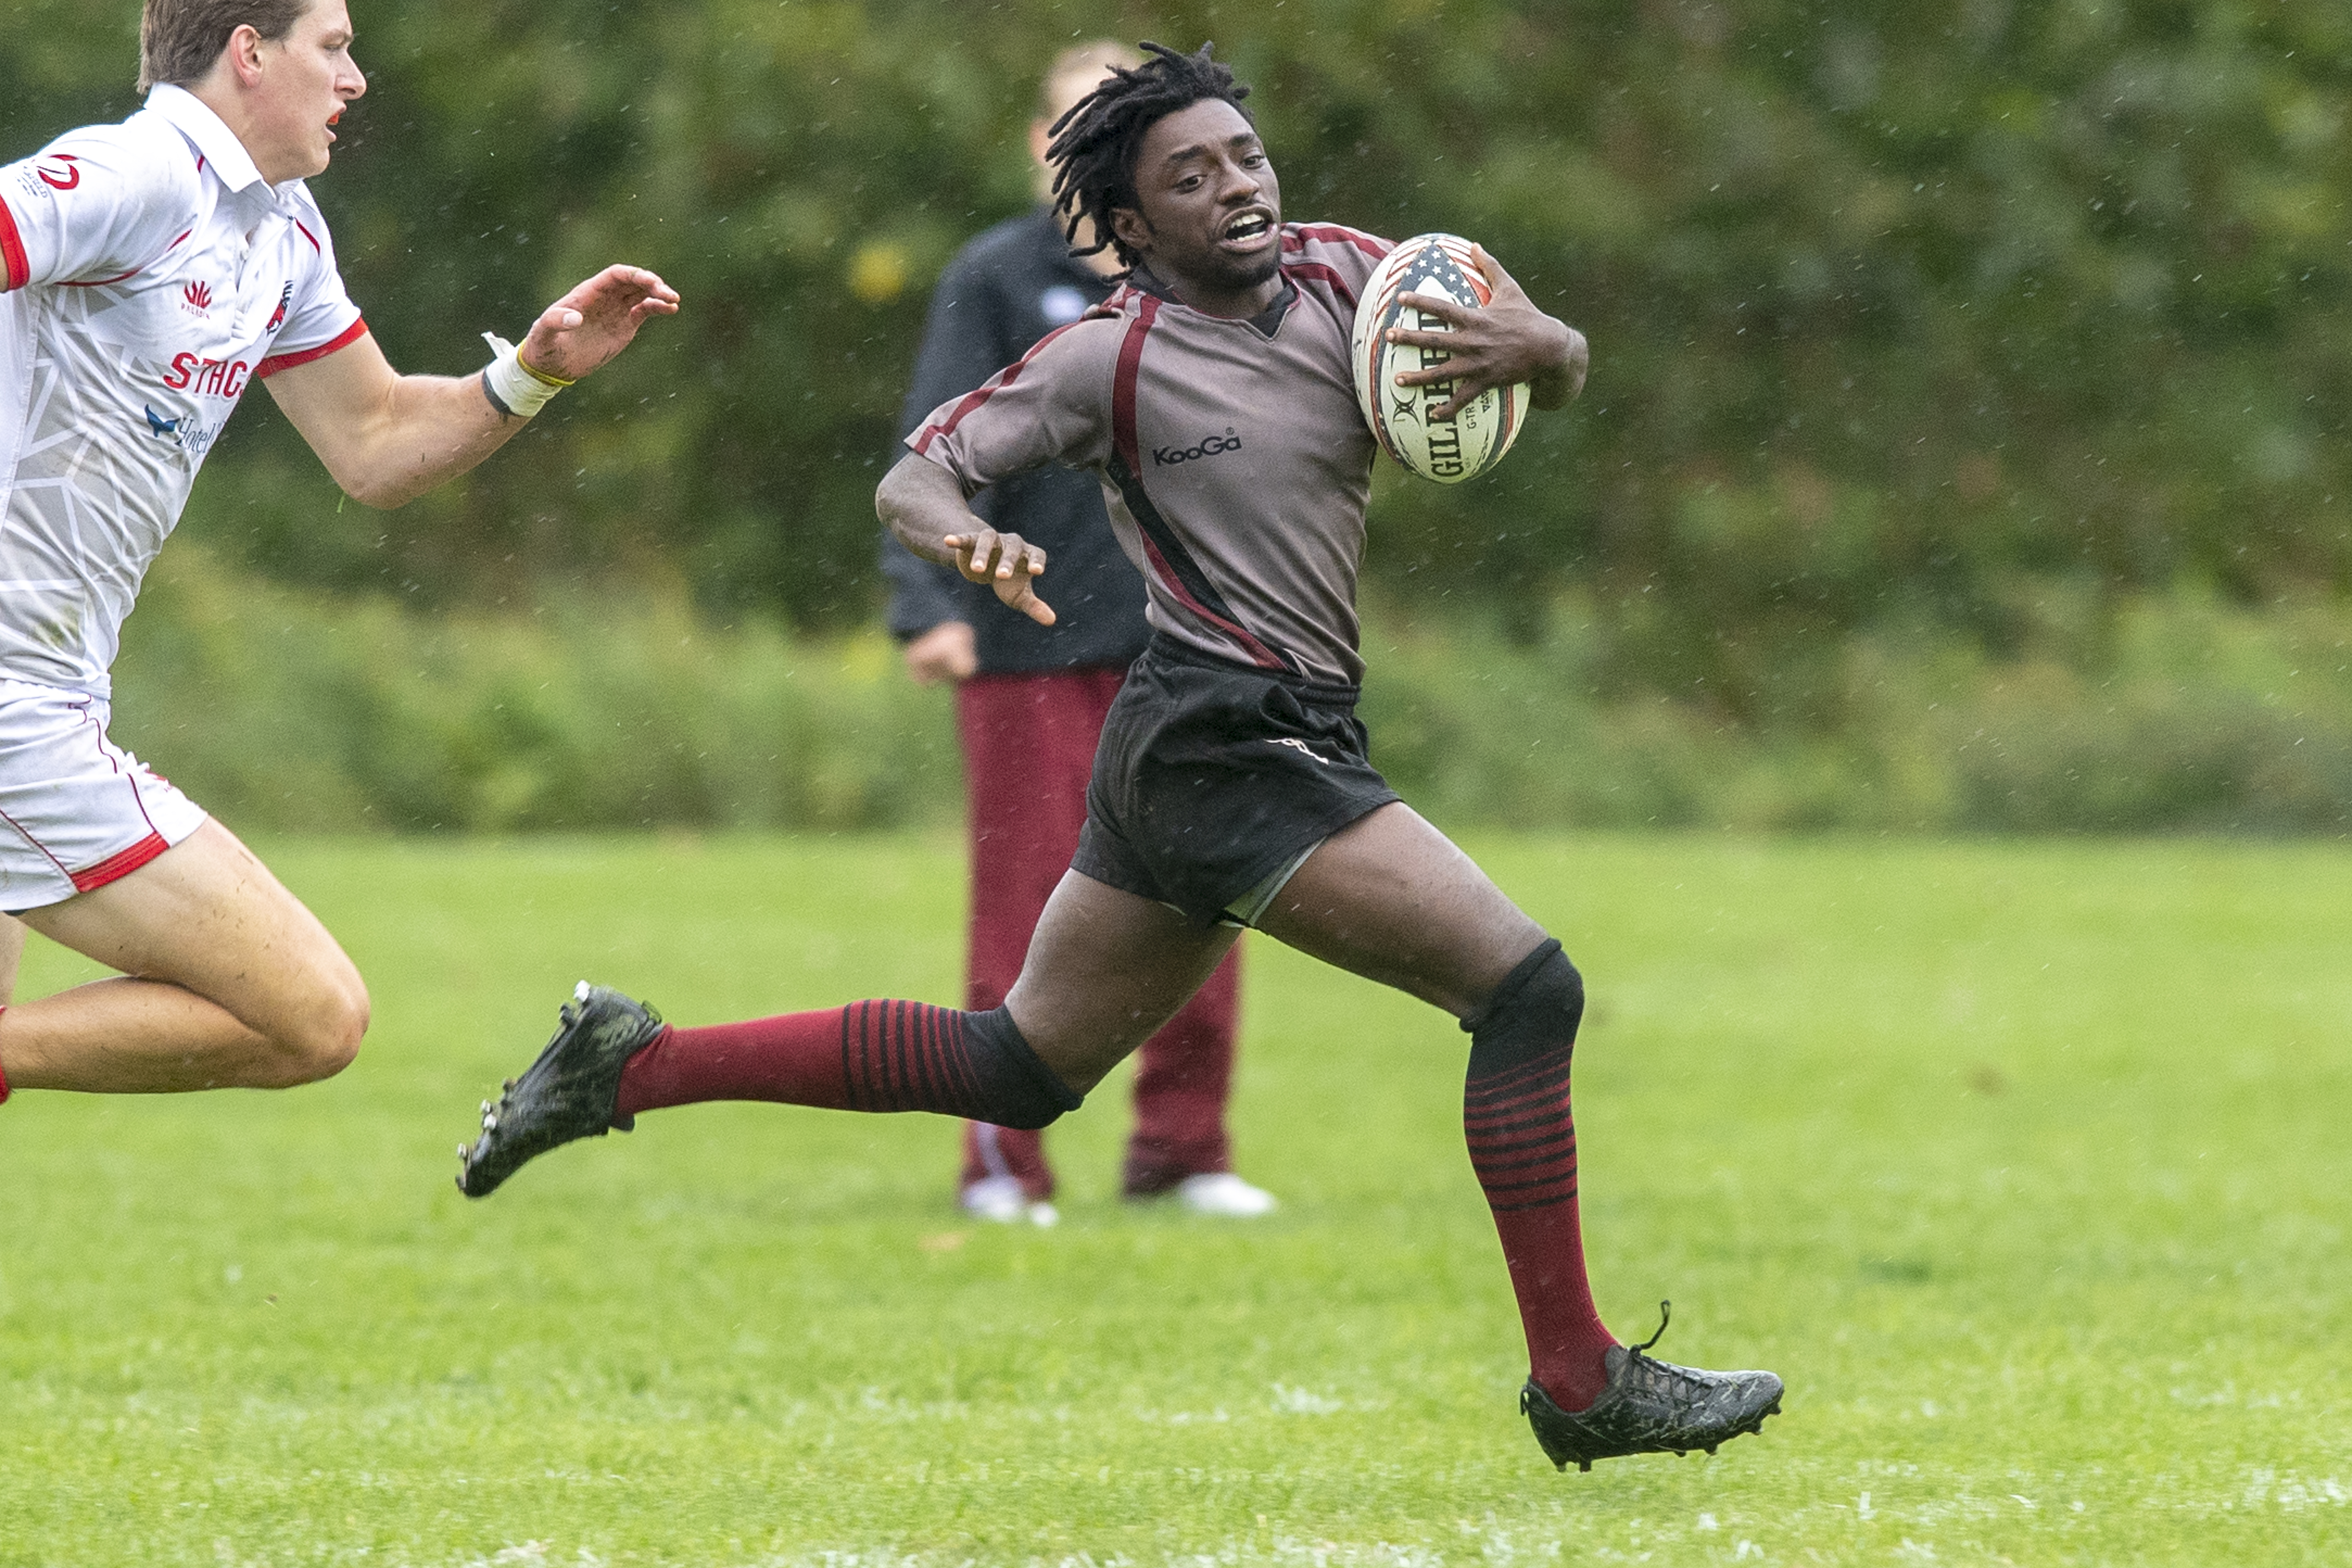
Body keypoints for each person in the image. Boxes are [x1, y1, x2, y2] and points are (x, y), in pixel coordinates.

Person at [458, 42, 1781, 1473]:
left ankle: (631, 1066)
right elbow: (917, 468)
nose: (1235, 189)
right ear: (1133, 224)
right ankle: (1579, 1382)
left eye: (1245, 158)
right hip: (1228, 744)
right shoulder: (1113, 353)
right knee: (1527, 990)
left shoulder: (1362, 279)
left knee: (1015, 1065)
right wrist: (957, 533)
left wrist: (1548, 351)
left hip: (1223, 741)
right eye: (1188, 178)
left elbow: (1558, 360)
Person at [0, 0, 675, 1106]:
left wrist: (531, 375)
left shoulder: (283, 229)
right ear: (248, 54)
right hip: (10, 704)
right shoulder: (136, 173)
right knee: (312, 1012)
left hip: (58, 690)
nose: (356, 79)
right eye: (335, 46)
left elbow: (376, 442)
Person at [884, 41, 1273, 1226]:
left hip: (1191, 644)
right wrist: (927, 605)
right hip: (1030, 646)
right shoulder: (998, 277)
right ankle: (1004, 1165)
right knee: (1029, 914)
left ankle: (1182, 1153)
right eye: (1069, 122)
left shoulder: (1225, 282)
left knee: (1209, 898)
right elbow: (928, 452)